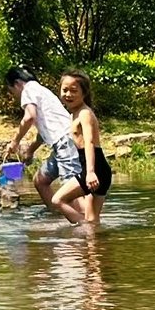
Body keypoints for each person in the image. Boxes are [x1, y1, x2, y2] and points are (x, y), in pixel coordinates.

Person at [3, 65, 87, 224]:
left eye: (11, 90)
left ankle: (90, 225)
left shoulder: (28, 90)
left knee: (71, 187)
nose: (13, 95)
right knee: (40, 180)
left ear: (17, 83)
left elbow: (29, 118)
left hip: (65, 143)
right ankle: (58, 216)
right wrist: (30, 150)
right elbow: (44, 131)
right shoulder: (42, 91)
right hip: (63, 143)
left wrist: (14, 142)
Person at [60, 69, 112, 224]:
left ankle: (82, 227)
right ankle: (94, 246)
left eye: (74, 91)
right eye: (65, 90)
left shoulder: (84, 114)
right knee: (92, 218)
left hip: (95, 168)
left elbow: (89, 142)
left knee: (58, 200)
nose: (68, 94)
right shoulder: (74, 113)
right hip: (97, 168)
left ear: (84, 93)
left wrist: (90, 172)